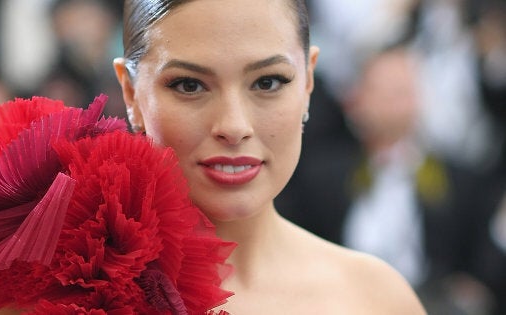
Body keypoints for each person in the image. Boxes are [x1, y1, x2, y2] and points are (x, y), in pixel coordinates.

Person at [112, 0, 426, 313]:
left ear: (308, 83)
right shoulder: (83, 286)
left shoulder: (378, 298)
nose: (234, 127)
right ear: (130, 93)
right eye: (190, 85)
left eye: (268, 82)